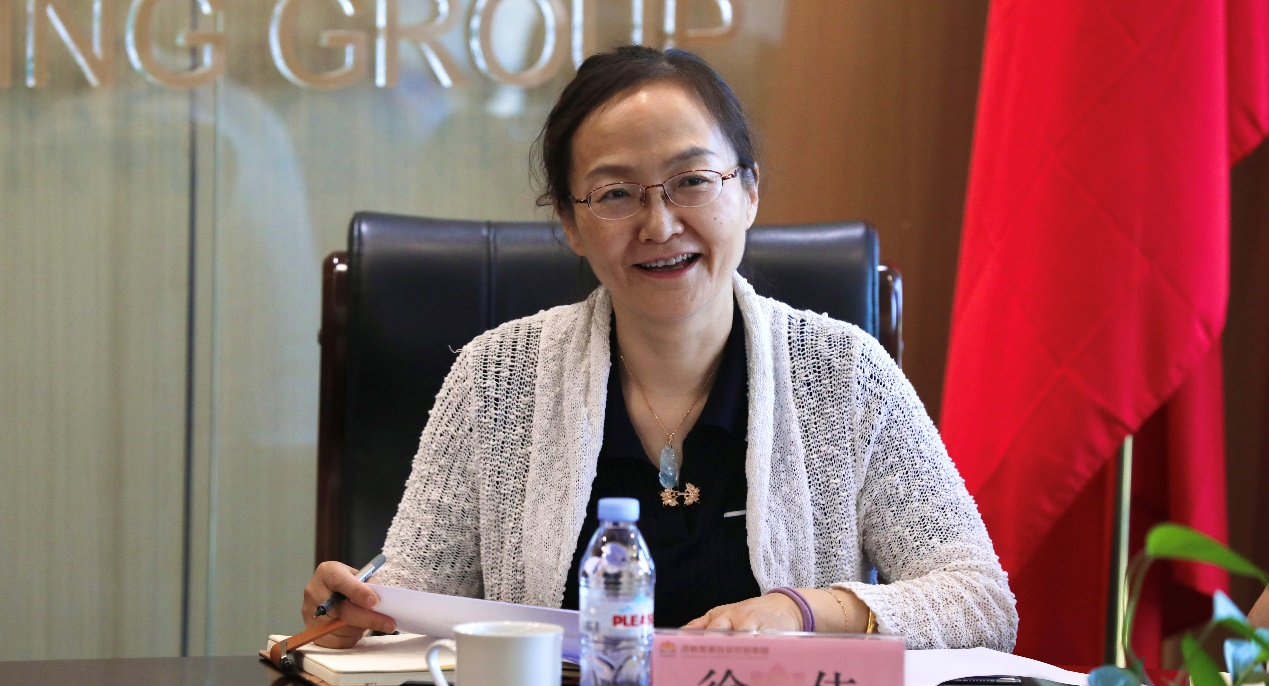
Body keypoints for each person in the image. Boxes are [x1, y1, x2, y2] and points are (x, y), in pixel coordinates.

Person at [302, 45, 1019, 652]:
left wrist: (804, 611)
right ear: (569, 224)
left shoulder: (843, 374)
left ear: (748, 192)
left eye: (691, 182)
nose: (659, 224)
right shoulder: (496, 378)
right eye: (615, 194)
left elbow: (981, 602)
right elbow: (413, 595)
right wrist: (355, 611)